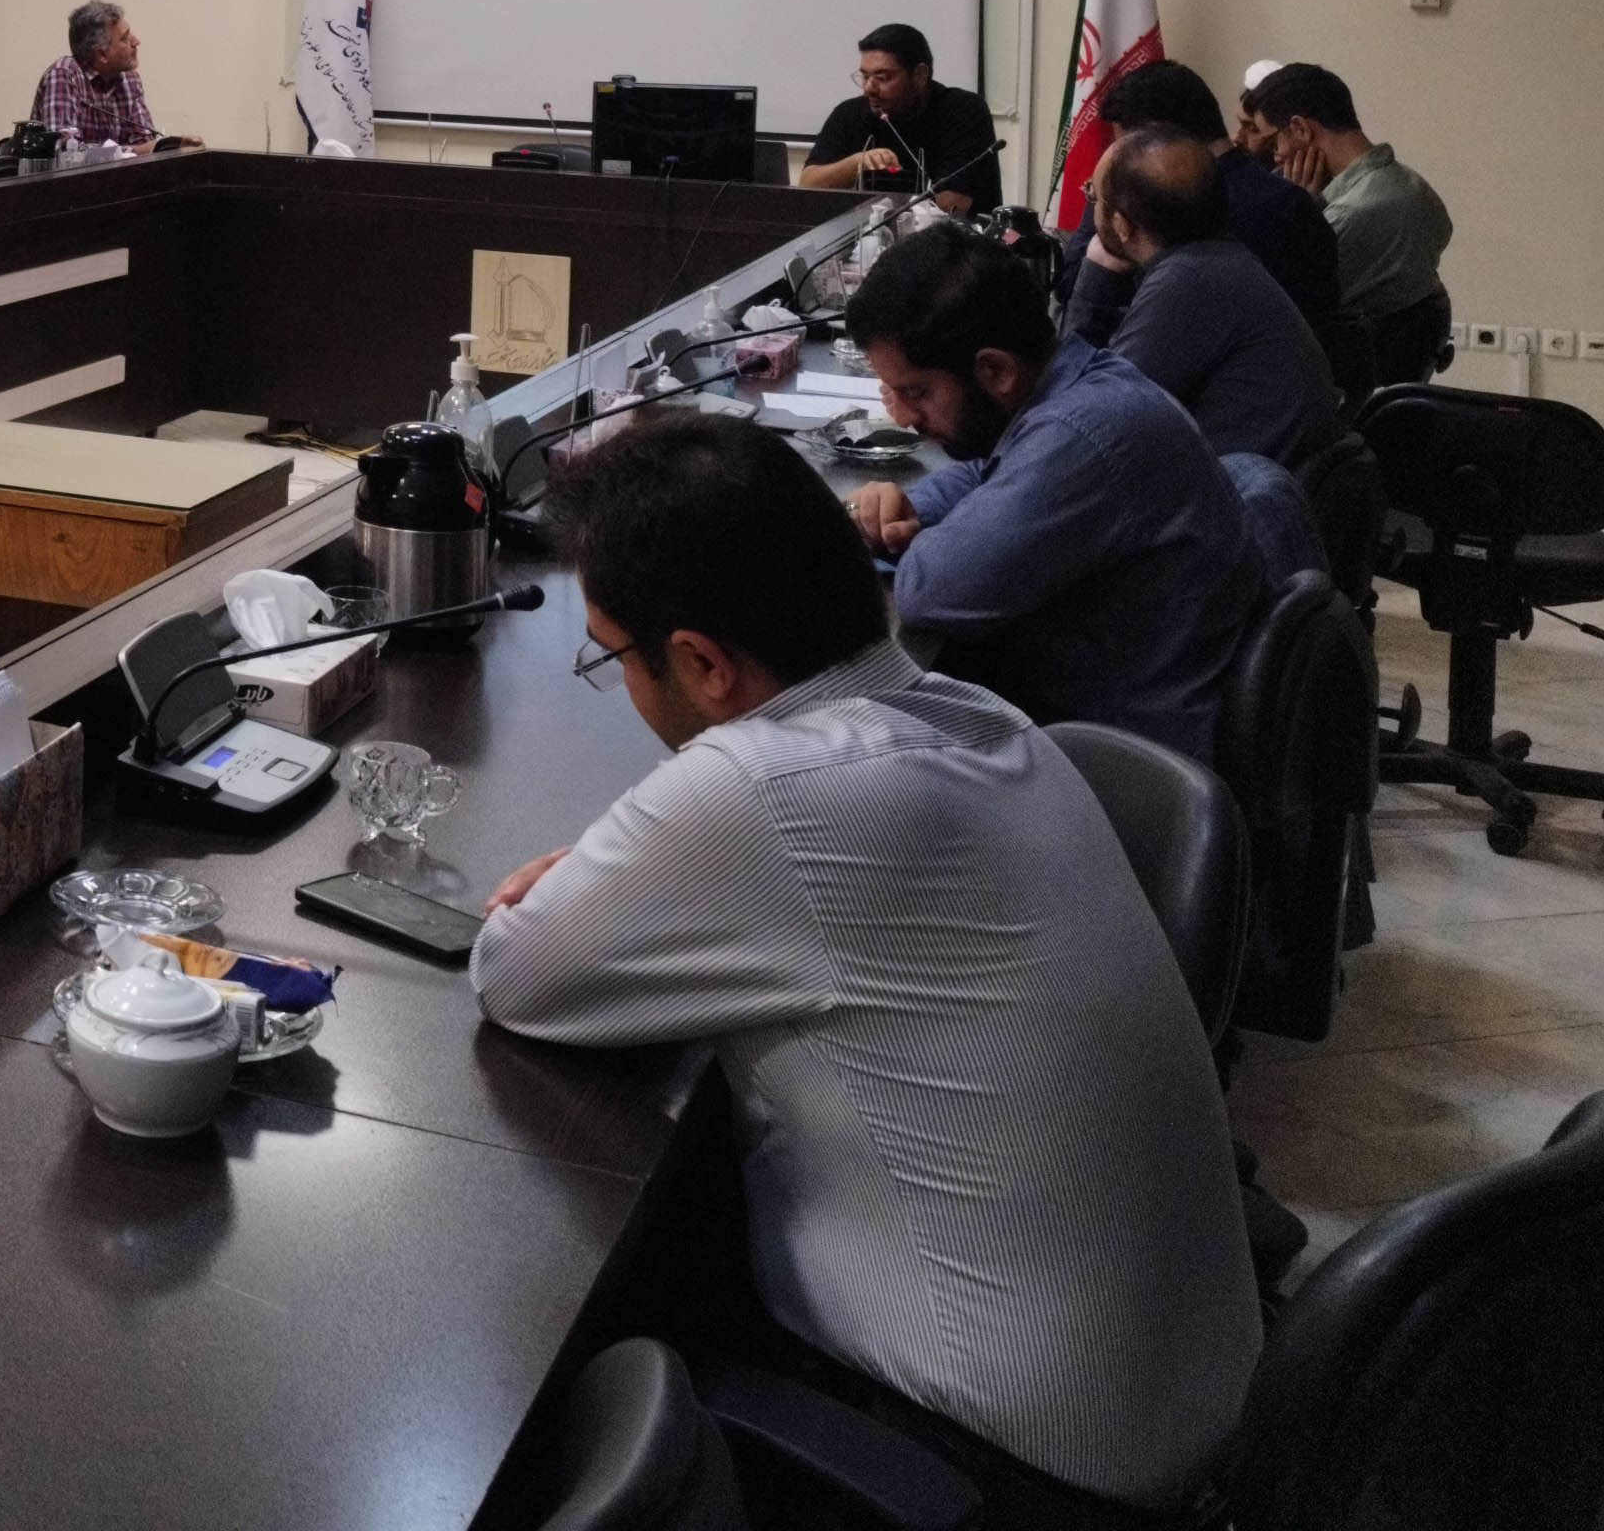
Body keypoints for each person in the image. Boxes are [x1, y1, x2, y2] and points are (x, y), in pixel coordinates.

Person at [474, 412, 1260, 1523]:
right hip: (1193, 1402)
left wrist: (616, 881)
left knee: (560, 1344)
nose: (619, 683)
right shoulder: (974, 711)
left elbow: (516, 971)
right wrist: (657, 879)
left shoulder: (763, 790)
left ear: (701, 662)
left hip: (1016, 1469)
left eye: (611, 655)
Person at [840, 225, 1263, 761]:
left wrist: (908, 540)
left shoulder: (1082, 436)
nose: (903, 417)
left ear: (996, 370)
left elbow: (933, 590)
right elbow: (985, 471)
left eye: (916, 392)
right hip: (1114, 707)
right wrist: (910, 507)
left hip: (1123, 758)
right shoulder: (1075, 385)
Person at [1071, 126, 1341, 469]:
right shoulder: (1218, 261)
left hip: (1237, 494)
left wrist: (1095, 278)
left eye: (1093, 196)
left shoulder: (1188, 280)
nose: (1092, 206)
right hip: (1258, 478)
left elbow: (1085, 420)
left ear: (1122, 225)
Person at [1087, 55, 1340, 330]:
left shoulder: (1183, 217)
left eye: (1127, 150)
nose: (1121, 163)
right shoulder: (1293, 199)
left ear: (1160, 144)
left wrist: (1106, 202)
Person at [1250, 62, 1454, 377]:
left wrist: (1297, 213)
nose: (1275, 157)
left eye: (1273, 142)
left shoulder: (1347, 215)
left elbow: (1277, 311)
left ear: (1301, 129)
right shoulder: (1417, 188)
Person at [796, 22, 999, 213]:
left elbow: (952, 205)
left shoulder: (962, 110)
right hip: (872, 234)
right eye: (865, 76)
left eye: (882, 78)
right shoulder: (849, 113)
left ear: (920, 75)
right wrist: (857, 162)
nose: (869, 89)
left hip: (953, 236)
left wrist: (881, 216)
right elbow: (807, 187)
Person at [30, 0, 158, 151]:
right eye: (124, 38)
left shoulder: (130, 79)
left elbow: (145, 142)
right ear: (102, 54)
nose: (136, 42)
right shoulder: (63, 74)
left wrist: (167, 146)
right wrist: (133, 151)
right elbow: (64, 150)